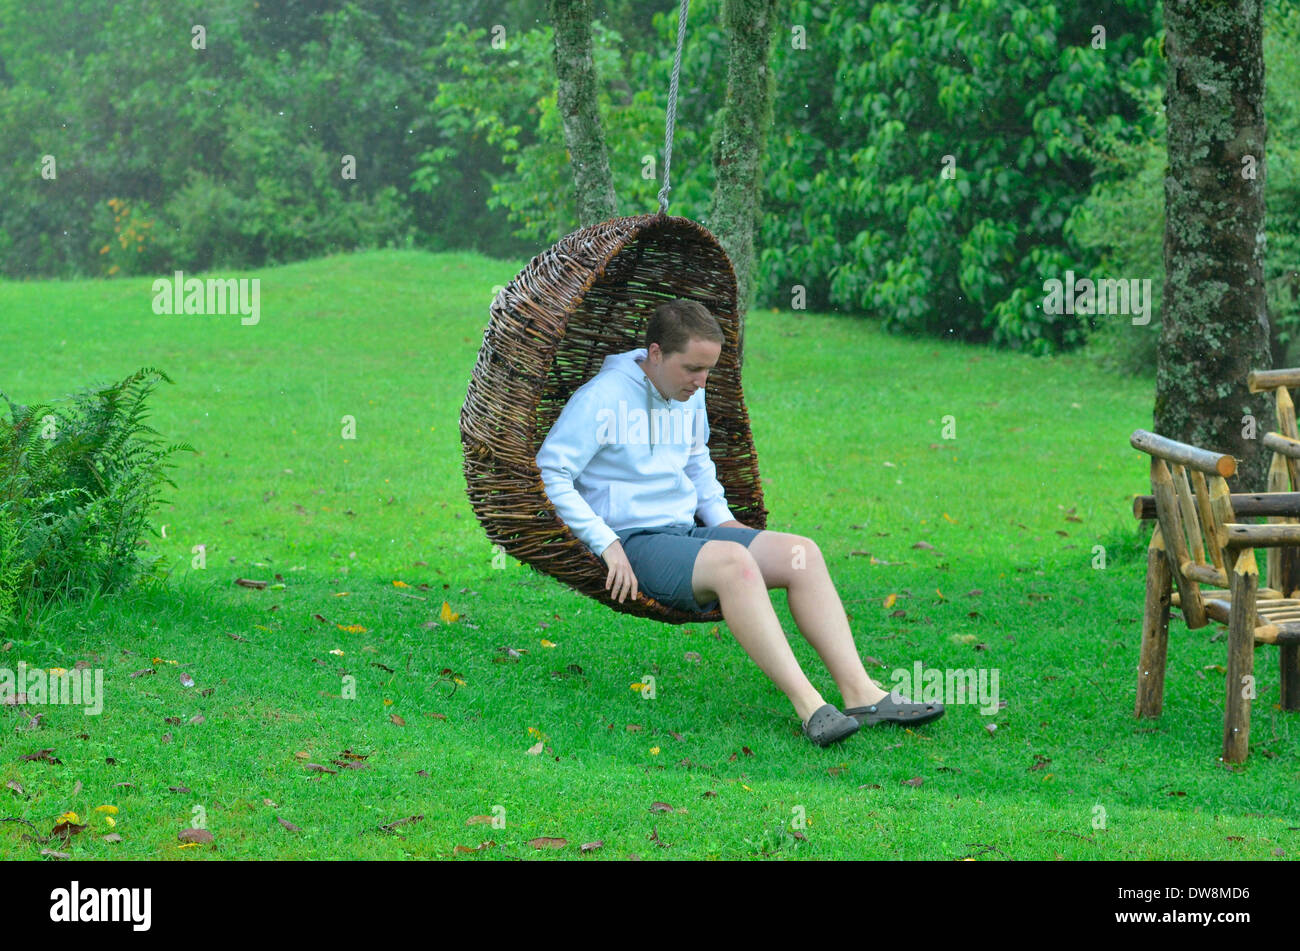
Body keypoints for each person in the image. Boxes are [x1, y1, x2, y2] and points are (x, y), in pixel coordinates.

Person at [534, 299, 944, 747]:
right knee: (734, 564)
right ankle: (811, 708)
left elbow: (695, 460)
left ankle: (861, 692)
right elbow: (550, 471)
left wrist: (723, 520)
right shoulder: (603, 396)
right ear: (655, 353)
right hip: (635, 542)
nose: (701, 381)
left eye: (708, 369)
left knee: (800, 553)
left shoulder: (689, 393)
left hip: (686, 534)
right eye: (692, 368)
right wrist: (605, 542)